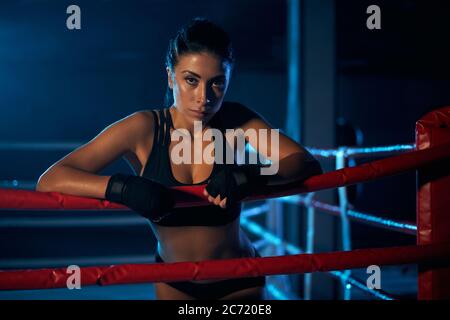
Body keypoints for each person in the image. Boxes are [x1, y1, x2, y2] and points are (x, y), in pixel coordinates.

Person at [36, 18, 323, 300]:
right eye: (191, 80)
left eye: (217, 83)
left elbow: (303, 161)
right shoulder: (143, 129)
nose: (204, 97)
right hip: (175, 284)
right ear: (170, 76)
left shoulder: (237, 120)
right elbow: (50, 179)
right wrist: (123, 188)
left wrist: (249, 176)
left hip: (239, 279)